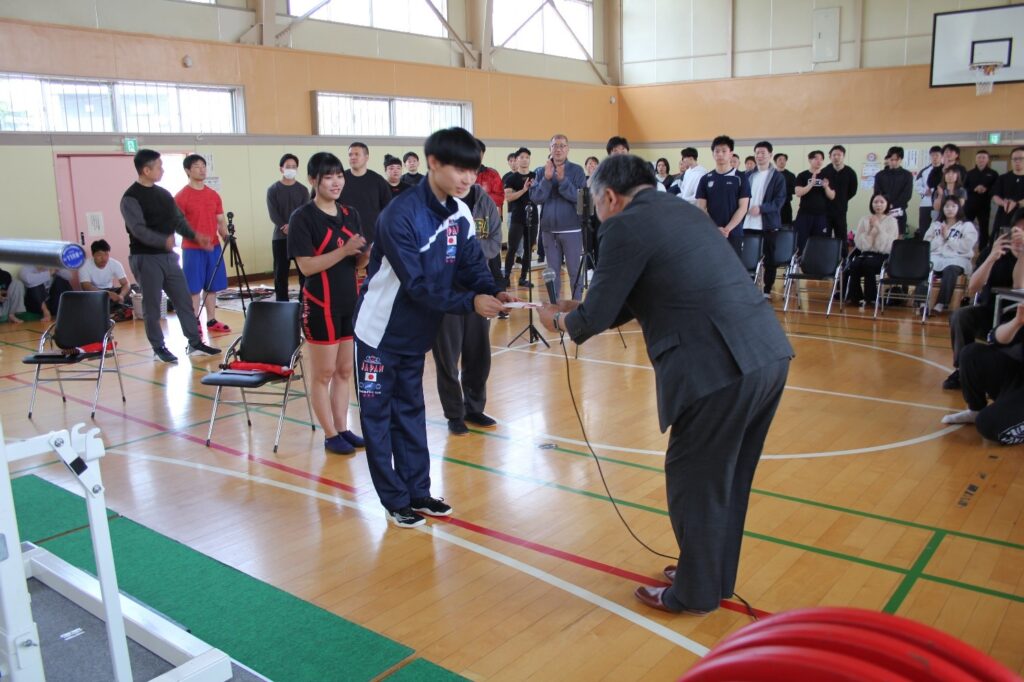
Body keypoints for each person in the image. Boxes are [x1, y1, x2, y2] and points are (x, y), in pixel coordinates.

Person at [538, 154, 792, 615]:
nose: (598, 214)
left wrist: (559, 321)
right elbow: (636, 294)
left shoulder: (624, 225)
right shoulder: (681, 210)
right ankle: (709, 575)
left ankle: (694, 593)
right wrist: (583, 308)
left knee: (694, 478)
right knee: (727, 478)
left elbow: (593, 317)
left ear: (609, 197)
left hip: (718, 366)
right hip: (765, 352)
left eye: (595, 204)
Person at [355, 127, 513, 529]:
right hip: (379, 333)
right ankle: (394, 500)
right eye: (459, 169)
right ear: (433, 163)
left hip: (415, 334)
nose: (467, 178)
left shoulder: (461, 212)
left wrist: (493, 289)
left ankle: (418, 491)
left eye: (473, 170)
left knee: (411, 412)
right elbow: (419, 285)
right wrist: (471, 302)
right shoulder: (399, 216)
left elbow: (472, 264)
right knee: (378, 418)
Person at [288, 152, 368, 456]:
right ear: (313, 180)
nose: (336, 182)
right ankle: (330, 434)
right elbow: (307, 266)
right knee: (323, 373)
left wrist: (366, 255)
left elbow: (356, 263)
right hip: (320, 305)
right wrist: (345, 250)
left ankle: (343, 428)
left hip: (349, 301)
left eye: (339, 176)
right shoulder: (302, 218)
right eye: (329, 177)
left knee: (344, 371)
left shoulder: (350, 213)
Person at [119, 149, 220, 363]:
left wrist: (195, 235)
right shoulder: (130, 198)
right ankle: (158, 347)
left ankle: (194, 343)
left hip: (169, 257)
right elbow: (138, 229)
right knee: (153, 306)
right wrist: (161, 240)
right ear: (146, 170)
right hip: (145, 257)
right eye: (159, 167)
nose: (162, 170)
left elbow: (178, 221)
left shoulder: (163, 194)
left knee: (184, 299)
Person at [432, 181, 504, 435]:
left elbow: (491, 244)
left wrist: (493, 290)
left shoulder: (480, 204)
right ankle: (454, 414)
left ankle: (474, 407)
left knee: (478, 353)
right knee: (448, 357)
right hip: (446, 291)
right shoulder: (434, 205)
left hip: (477, 287)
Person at [943, 209, 1024, 390]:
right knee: (960, 316)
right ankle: (962, 369)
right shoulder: (997, 250)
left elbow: (1019, 286)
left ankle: (1003, 376)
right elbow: (973, 287)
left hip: (1018, 318)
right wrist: (991, 258)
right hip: (991, 310)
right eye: (1018, 230)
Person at [941, 301, 1024, 445]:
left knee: (989, 424)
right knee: (971, 353)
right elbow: (994, 338)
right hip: (1017, 376)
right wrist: (1017, 322)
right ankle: (975, 409)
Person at [175, 154, 230, 334]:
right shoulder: (181, 197)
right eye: (197, 166)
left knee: (212, 285)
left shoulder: (213, 195)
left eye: (203, 166)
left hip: (213, 247)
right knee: (193, 287)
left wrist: (226, 236)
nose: (202, 169)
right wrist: (195, 237)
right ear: (187, 170)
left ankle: (211, 320)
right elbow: (178, 224)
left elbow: (220, 220)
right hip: (192, 249)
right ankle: (194, 320)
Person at [529, 134, 588, 302]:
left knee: (574, 271)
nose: (558, 149)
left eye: (562, 145)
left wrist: (562, 181)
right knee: (552, 272)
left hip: (571, 229)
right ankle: (554, 306)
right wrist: (546, 179)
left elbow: (580, 198)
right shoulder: (541, 171)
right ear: (550, 148)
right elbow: (536, 198)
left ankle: (576, 306)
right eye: (555, 145)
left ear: (568, 149)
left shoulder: (577, 170)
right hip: (548, 230)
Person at [742, 141, 788, 296]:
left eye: (763, 153)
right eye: (757, 153)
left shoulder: (777, 177)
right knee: (747, 257)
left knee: (769, 257)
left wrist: (761, 209)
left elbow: (779, 201)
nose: (759, 156)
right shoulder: (747, 175)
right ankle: (748, 287)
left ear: (770, 155)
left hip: (768, 224)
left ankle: (767, 289)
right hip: (748, 223)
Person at [918, 197, 978, 316]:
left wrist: (948, 238)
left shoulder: (967, 226)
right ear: (942, 209)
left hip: (957, 258)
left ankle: (940, 304)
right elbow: (926, 245)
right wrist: (940, 238)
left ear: (959, 208)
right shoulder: (935, 225)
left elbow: (966, 246)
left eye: (953, 206)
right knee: (924, 268)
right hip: (936, 257)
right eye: (946, 206)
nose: (950, 209)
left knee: (950, 270)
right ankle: (922, 304)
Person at [696, 135, 750, 256]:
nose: (720, 154)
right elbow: (701, 208)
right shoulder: (705, 179)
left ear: (731, 154)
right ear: (713, 154)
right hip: (711, 232)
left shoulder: (741, 178)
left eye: (724, 151)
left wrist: (727, 229)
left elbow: (743, 207)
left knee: (733, 266)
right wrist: (715, 228)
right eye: (717, 151)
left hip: (734, 233)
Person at [267, 153, 308, 302]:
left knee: (303, 271)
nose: (291, 169)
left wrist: (293, 227)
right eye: (288, 166)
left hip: (299, 237)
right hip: (280, 237)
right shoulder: (273, 190)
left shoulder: (303, 190)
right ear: (281, 169)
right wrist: (284, 226)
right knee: (280, 272)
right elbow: (273, 214)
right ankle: (282, 302)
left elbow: (305, 212)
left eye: (294, 167)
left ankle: (304, 301)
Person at [846, 195, 899, 307]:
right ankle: (854, 297)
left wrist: (878, 227)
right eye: (875, 202)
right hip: (866, 253)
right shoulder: (864, 219)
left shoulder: (892, 221)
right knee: (854, 264)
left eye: (881, 202)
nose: (878, 205)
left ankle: (871, 298)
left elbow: (890, 244)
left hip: (882, 255)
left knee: (868, 264)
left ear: (887, 204)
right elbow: (859, 243)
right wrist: (869, 231)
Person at [340, 142, 391, 243]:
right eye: (350, 155)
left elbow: (388, 210)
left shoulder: (378, 180)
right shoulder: (340, 179)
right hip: (343, 237)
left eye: (357, 154)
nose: (353, 157)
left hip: (372, 237)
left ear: (366, 157)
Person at [504, 147, 535, 287]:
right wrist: (523, 190)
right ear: (516, 160)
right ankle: (506, 277)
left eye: (527, 157)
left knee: (529, 249)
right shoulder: (511, 178)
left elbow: (541, 195)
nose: (524, 160)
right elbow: (508, 197)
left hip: (533, 217)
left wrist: (535, 188)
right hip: (517, 217)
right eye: (521, 157)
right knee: (512, 248)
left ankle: (523, 278)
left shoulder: (535, 176)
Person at [78, 239, 132, 319]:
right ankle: (114, 307)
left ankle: (111, 306)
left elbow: (126, 283)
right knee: (86, 299)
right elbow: (86, 287)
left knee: (134, 288)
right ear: (93, 255)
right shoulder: (84, 265)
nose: (104, 258)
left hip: (111, 290)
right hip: (94, 293)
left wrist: (121, 295)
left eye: (106, 254)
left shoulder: (115, 264)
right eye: (99, 255)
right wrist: (107, 294)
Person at [793, 150, 834, 253]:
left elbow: (832, 196)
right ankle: (800, 261)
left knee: (819, 242)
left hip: (821, 215)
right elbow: (798, 192)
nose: (819, 161)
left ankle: (817, 262)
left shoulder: (827, 176)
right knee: (801, 241)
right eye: (816, 158)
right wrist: (811, 184)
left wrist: (826, 187)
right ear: (810, 160)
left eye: (821, 159)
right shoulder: (802, 175)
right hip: (804, 214)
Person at [820, 144, 858, 248]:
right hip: (825, 211)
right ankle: (825, 257)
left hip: (841, 210)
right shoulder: (824, 172)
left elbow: (853, 191)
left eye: (839, 155)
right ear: (830, 157)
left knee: (841, 237)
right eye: (834, 155)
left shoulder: (850, 172)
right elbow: (820, 191)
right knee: (824, 238)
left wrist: (842, 199)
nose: (836, 157)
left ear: (843, 156)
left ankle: (843, 257)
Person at [872, 146, 914, 236]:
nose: (894, 162)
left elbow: (907, 194)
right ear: (888, 159)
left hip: (899, 212)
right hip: (882, 212)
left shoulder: (907, 175)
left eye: (896, 159)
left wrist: (892, 205)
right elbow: (877, 193)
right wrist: (885, 205)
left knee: (898, 238)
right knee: (881, 236)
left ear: (901, 159)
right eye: (891, 159)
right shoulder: (880, 175)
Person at [964, 150, 999, 251]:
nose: (981, 160)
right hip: (970, 204)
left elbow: (996, 188)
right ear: (976, 159)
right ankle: (965, 248)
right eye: (979, 157)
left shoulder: (993, 173)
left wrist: (986, 189)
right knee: (965, 226)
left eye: (983, 157)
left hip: (984, 204)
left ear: (988, 159)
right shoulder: (969, 173)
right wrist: (974, 189)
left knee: (984, 228)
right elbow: (964, 187)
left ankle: (982, 251)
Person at [992, 146, 1024, 231]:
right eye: (1015, 159)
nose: (1017, 161)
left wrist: (1017, 203)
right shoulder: (1003, 178)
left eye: (1021, 158)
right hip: (1004, 215)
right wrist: (1003, 203)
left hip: (1022, 216)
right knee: (1001, 236)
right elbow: (995, 195)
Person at [915, 145, 943, 237]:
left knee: (939, 228)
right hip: (926, 203)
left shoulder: (946, 170)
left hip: (941, 203)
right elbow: (917, 185)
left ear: (941, 156)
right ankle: (924, 245)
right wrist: (924, 191)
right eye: (932, 155)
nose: (934, 157)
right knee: (924, 228)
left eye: (937, 155)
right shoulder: (924, 171)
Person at [774, 153, 797, 225]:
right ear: (775, 161)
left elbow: (794, 190)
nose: (782, 161)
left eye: (784, 160)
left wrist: (781, 190)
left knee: (786, 225)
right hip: (772, 204)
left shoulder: (791, 175)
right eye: (780, 159)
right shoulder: (770, 174)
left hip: (786, 204)